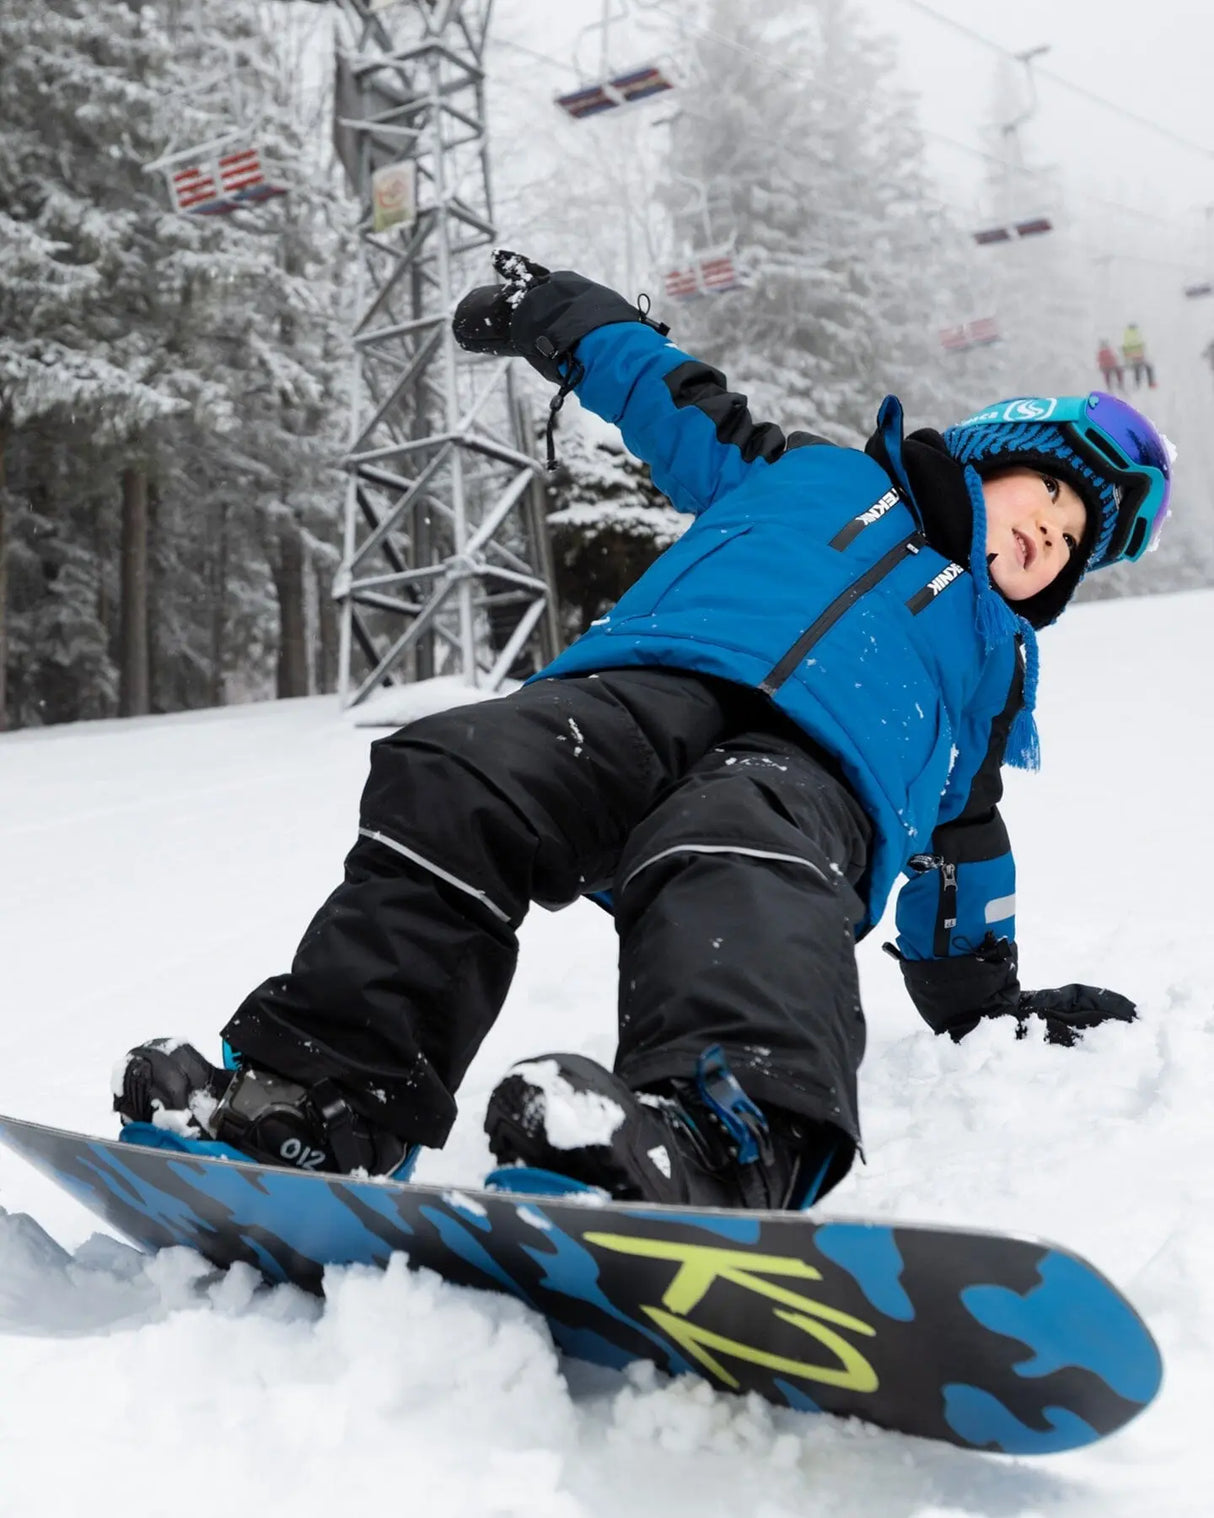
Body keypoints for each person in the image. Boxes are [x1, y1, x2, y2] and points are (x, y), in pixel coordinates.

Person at [113, 252, 1172, 1212]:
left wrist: (985, 1003)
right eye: (1048, 497)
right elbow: (670, 396)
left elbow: (965, 843)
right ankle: (327, 1097)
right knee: (462, 768)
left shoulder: (991, 657)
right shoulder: (806, 473)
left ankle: (722, 1139)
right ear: (995, 454)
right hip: (642, 690)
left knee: (734, 847)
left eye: (1068, 547)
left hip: (814, 775)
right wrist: (566, 317)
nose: (1048, 535)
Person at [1122, 323, 1157, 389]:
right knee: (1148, 367)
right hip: (1139, 354)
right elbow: (1141, 344)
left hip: (1131, 355)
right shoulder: (1136, 333)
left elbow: (1125, 346)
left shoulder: (1126, 334)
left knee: (1137, 369)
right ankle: (1151, 383)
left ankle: (1138, 383)